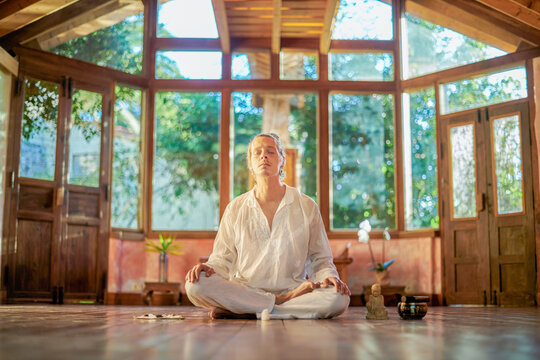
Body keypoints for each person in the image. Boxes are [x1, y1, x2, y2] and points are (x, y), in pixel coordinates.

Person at [185, 132, 350, 319]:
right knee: (195, 286)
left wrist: (328, 276)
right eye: (257, 152)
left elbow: (321, 260)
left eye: (270, 151)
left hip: (294, 289)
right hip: (246, 290)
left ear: (282, 160)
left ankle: (246, 310)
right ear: (250, 162)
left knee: (338, 299)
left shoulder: (306, 206)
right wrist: (207, 267)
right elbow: (222, 261)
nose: (264, 155)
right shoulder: (236, 208)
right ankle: (278, 303)